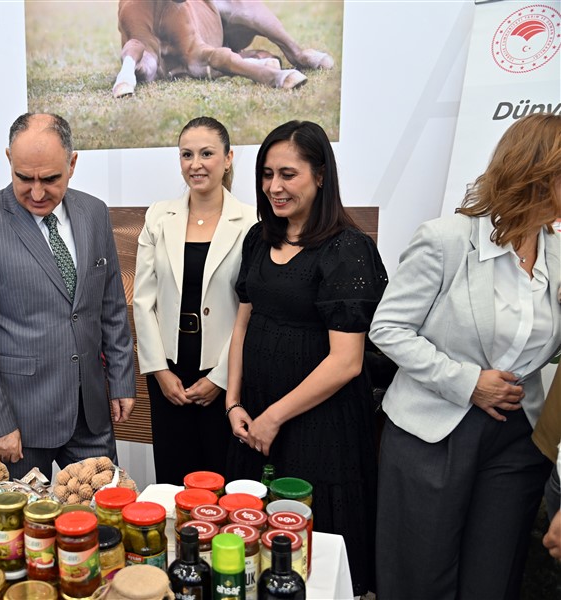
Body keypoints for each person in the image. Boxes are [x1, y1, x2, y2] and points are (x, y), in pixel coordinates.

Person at [369, 113, 561, 599]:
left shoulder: (558, 252)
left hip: (516, 437)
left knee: (492, 581)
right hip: (432, 432)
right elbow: (388, 329)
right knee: (420, 578)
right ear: (539, 174)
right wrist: (467, 381)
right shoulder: (447, 239)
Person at [225, 120, 387, 596]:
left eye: (288, 174)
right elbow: (242, 325)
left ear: (320, 175)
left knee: (313, 556)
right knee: (251, 549)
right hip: (253, 419)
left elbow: (347, 362)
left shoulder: (348, 250)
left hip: (322, 427)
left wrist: (273, 417)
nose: (274, 186)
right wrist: (234, 403)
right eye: (267, 174)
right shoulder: (259, 237)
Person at [0, 113, 136, 479]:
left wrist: (122, 379)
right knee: (27, 534)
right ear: (8, 160)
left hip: (91, 415)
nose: (36, 192)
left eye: (50, 179)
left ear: (73, 163)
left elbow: (110, 304)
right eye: (23, 178)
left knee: (102, 524)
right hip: (20, 423)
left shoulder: (94, 213)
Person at [133, 117, 255, 484]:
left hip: (224, 375)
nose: (195, 164)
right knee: (172, 480)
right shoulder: (158, 216)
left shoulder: (252, 221)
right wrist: (158, 370)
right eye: (187, 155)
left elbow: (250, 311)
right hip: (168, 373)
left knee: (221, 480)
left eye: (206, 154)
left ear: (228, 158)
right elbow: (142, 300)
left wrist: (220, 379)